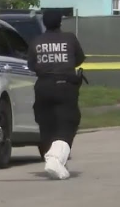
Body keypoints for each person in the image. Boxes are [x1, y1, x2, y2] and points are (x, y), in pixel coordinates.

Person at [27, 9, 86, 180]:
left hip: (43, 86)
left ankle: (53, 159)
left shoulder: (36, 41)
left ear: (44, 22)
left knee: (46, 125)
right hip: (65, 86)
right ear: (60, 22)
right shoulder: (69, 38)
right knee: (68, 123)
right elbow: (79, 58)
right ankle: (55, 159)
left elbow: (31, 64)